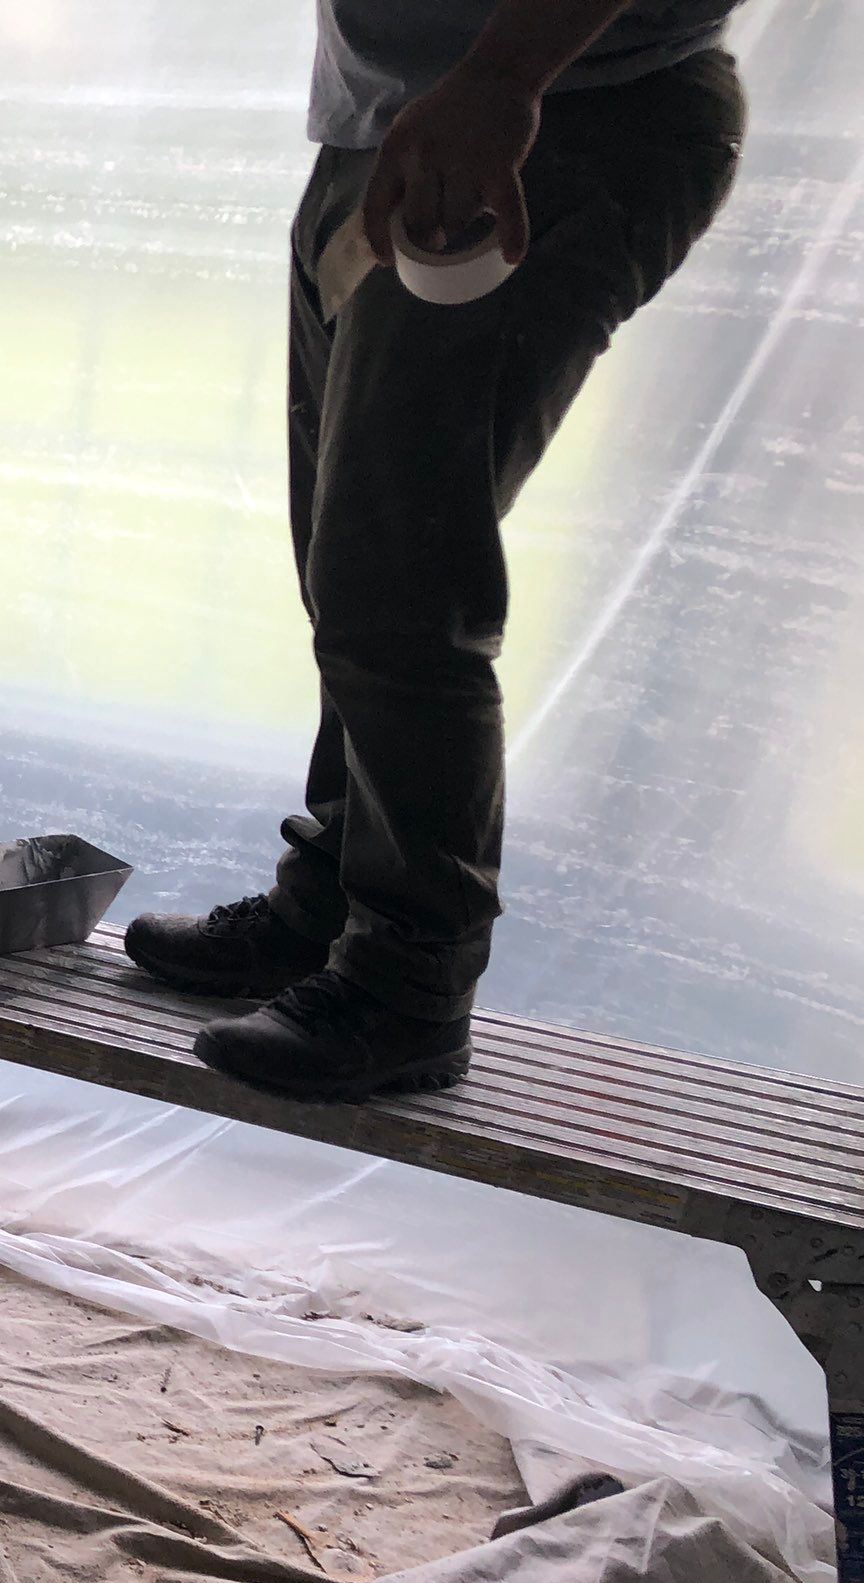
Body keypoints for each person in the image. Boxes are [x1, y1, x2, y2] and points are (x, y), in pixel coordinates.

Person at [122, 0, 749, 1100]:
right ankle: (332, 907)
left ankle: (406, 988)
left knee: (397, 581)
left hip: (544, 112)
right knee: (350, 566)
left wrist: (504, 78)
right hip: (394, 121)